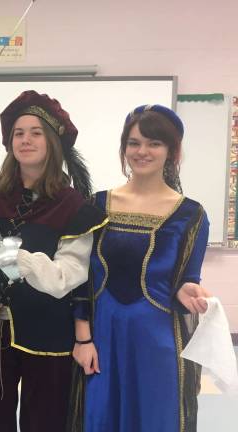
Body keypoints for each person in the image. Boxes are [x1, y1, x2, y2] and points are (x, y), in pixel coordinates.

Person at [0, 90, 107, 432]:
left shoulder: (74, 208)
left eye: (35, 132)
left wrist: (21, 259)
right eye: (18, 133)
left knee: (45, 421)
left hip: (50, 331)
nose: (25, 139)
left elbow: (67, 278)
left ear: (53, 142)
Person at [71, 104, 210, 432]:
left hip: (158, 343)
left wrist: (187, 288)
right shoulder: (96, 205)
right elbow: (81, 278)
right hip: (102, 339)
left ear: (172, 151)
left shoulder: (191, 215)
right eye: (134, 143)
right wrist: (82, 339)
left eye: (154, 143)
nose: (142, 151)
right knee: (99, 418)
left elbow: (187, 278)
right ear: (124, 148)